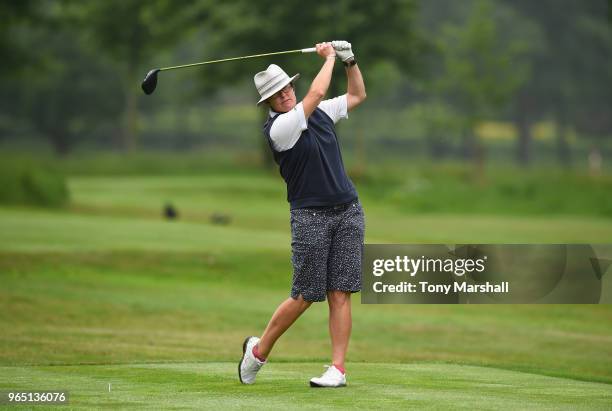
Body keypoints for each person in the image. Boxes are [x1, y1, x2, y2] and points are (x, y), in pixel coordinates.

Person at [239, 41, 367, 388]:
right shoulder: (280, 129)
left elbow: (357, 95)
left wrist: (349, 60)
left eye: (286, 88)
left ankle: (337, 370)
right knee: (305, 294)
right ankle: (259, 351)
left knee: (340, 292)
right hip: (310, 216)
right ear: (267, 102)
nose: (284, 95)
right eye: (276, 93)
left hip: (348, 210)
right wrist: (329, 58)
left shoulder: (322, 112)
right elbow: (317, 90)